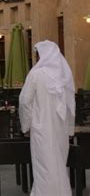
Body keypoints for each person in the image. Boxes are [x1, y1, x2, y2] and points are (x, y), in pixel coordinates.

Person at [19, 40, 75, 196]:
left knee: (44, 166)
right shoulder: (64, 76)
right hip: (60, 129)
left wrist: (26, 125)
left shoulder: (36, 74)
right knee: (58, 164)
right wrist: (70, 129)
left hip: (41, 128)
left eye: (37, 55)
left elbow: (24, 102)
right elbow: (71, 104)